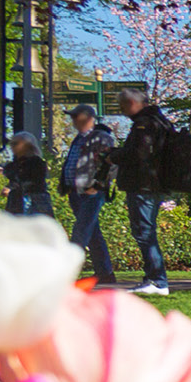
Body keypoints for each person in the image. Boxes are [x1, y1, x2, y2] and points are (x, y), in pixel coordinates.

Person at [111, 86, 175, 294]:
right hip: (153, 184)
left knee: (145, 232)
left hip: (143, 185)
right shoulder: (159, 122)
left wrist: (113, 155)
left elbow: (138, 154)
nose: (122, 111)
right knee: (145, 231)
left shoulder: (144, 125)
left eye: (123, 106)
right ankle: (153, 279)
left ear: (133, 103)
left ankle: (157, 281)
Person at [61, 103, 118, 285]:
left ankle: (66, 274)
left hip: (92, 192)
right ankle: (105, 273)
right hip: (76, 192)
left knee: (81, 233)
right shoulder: (78, 139)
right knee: (92, 234)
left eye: (77, 116)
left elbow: (111, 164)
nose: (74, 120)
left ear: (89, 118)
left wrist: (98, 185)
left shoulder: (101, 138)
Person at [3, 132, 53, 218]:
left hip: (35, 202)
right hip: (16, 202)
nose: (12, 146)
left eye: (15, 144)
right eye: (11, 144)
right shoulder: (12, 166)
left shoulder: (37, 163)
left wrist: (13, 188)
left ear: (27, 145)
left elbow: (33, 182)